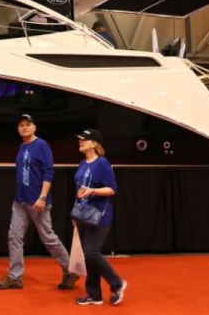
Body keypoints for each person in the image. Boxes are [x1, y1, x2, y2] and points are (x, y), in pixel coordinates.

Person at [0, 114, 78, 291]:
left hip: (37, 201)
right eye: (21, 125)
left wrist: (42, 197)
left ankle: (70, 270)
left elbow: (48, 172)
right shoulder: (22, 146)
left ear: (34, 127)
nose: (24, 127)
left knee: (48, 238)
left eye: (28, 125)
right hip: (20, 201)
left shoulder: (41, 145)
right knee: (14, 237)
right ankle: (15, 277)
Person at [72, 128, 126, 306]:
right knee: (89, 256)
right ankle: (94, 295)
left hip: (99, 216)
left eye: (84, 139)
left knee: (91, 252)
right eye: (80, 139)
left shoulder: (102, 163)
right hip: (83, 214)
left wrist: (93, 191)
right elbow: (79, 190)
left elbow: (112, 189)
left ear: (94, 143)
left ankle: (117, 283)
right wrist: (75, 212)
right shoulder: (82, 163)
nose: (80, 141)